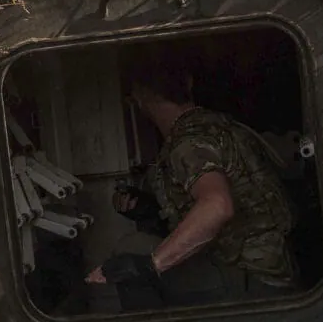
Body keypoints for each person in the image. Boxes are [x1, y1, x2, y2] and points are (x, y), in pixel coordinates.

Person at [86, 56, 297, 308]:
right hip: (274, 267)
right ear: (188, 84)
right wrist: (151, 211)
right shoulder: (221, 125)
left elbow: (217, 205)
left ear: (139, 98)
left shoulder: (188, 142)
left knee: (132, 247)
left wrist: (151, 265)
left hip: (246, 277)